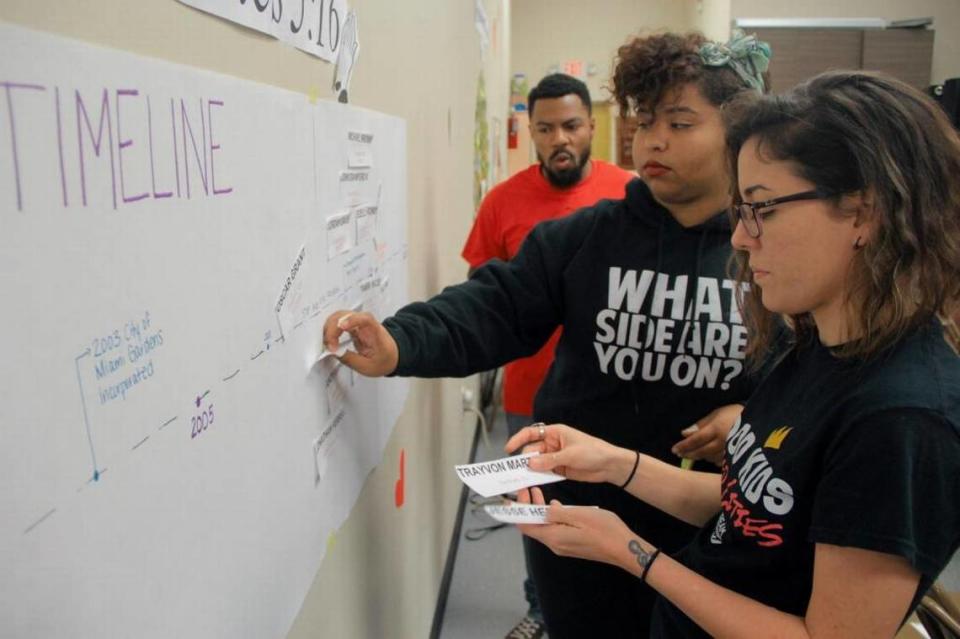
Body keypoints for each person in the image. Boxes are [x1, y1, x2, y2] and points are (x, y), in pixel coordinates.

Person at [323, 31, 772, 637]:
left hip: (710, 518)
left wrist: (753, 416)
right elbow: (495, 306)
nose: (652, 140)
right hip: (578, 509)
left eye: (681, 123)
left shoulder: (770, 249)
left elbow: (817, 372)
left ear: (739, 132)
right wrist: (401, 342)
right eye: (644, 121)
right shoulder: (590, 234)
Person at [508, 69, 960, 638]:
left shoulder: (902, 420)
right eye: (741, 210)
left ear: (863, 213)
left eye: (762, 209)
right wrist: (615, 463)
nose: (743, 238)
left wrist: (633, 554)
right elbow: (752, 512)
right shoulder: (819, 346)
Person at [462, 72, 634, 638]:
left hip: (612, 392)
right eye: (545, 129)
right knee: (537, 511)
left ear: (591, 127)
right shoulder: (503, 202)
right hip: (530, 396)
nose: (560, 139)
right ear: (530, 132)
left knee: (614, 503)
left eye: (571, 125)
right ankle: (542, 610)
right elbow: (483, 294)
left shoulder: (628, 195)